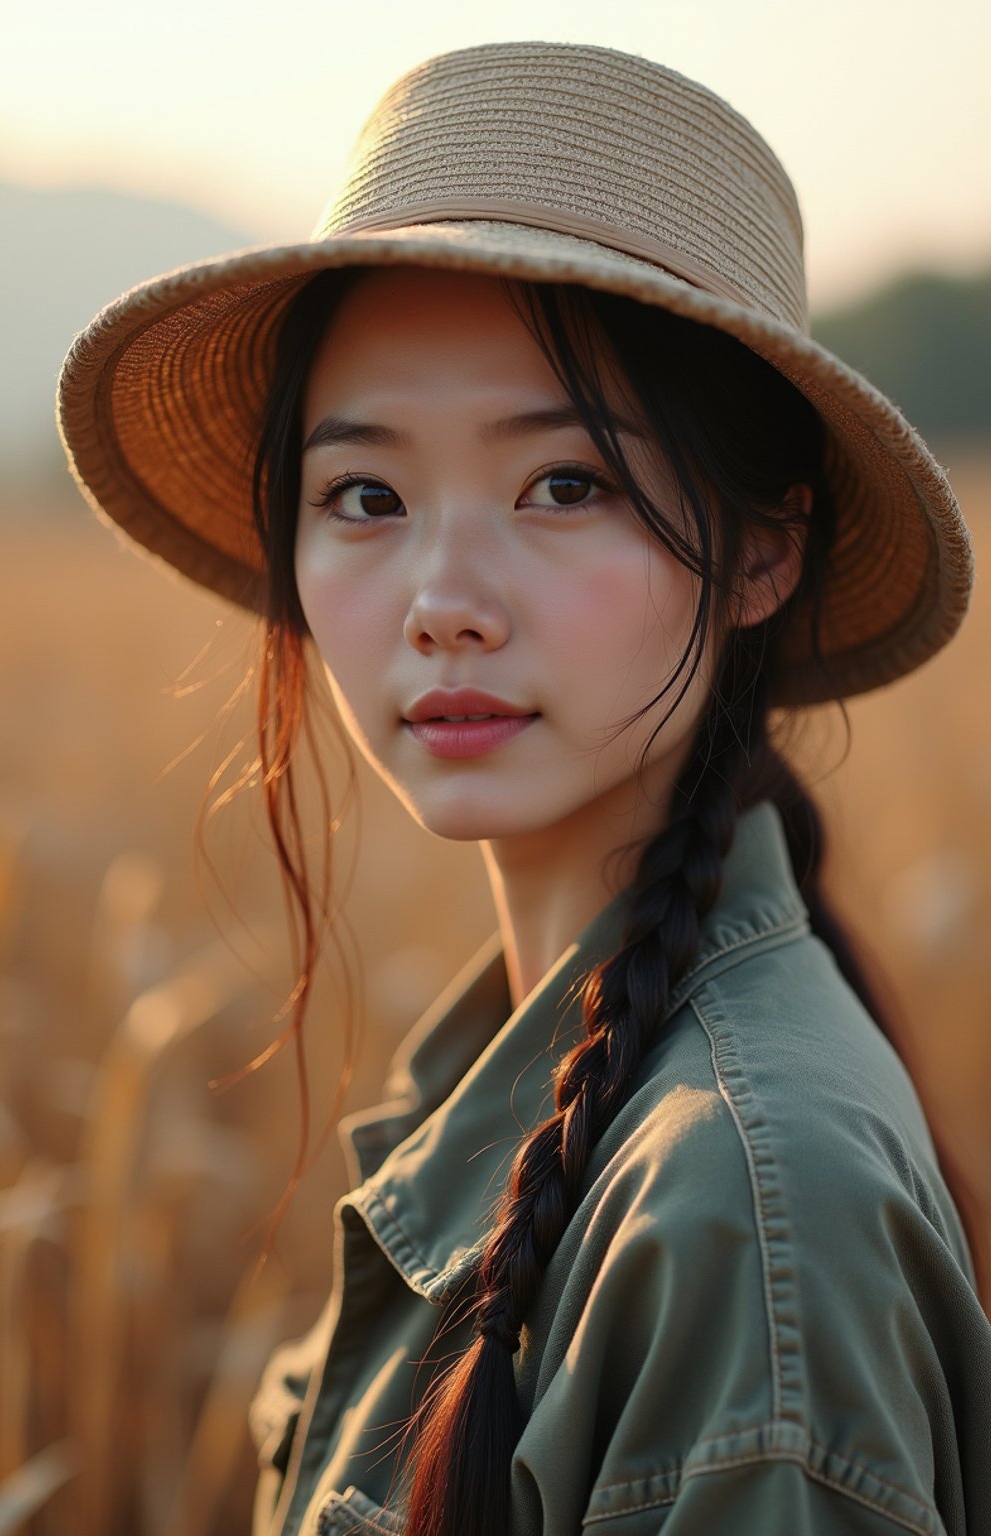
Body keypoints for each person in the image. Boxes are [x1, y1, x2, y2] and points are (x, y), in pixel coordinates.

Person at [57, 39, 990, 1536]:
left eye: (566, 483)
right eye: (364, 494)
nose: (443, 600)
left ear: (765, 551)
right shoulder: (552, 1077)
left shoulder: (740, 1213)